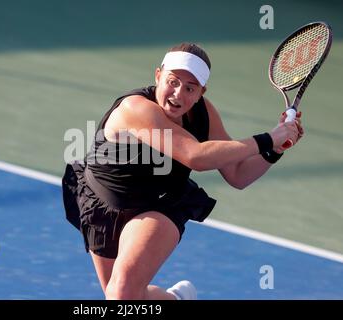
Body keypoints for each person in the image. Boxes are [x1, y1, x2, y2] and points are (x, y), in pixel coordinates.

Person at [62, 43, 303, 300]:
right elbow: (194, 156)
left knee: (122, 295)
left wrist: (275, 149)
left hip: (158, 204)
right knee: (128, 297)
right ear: (158, 76)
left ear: (201, 92)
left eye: (190, 88)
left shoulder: (204, 114)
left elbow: (238, 174)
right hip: (102, 202)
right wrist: (268, 138)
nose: (178, 93)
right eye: (172, 81)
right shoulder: (136, 108)